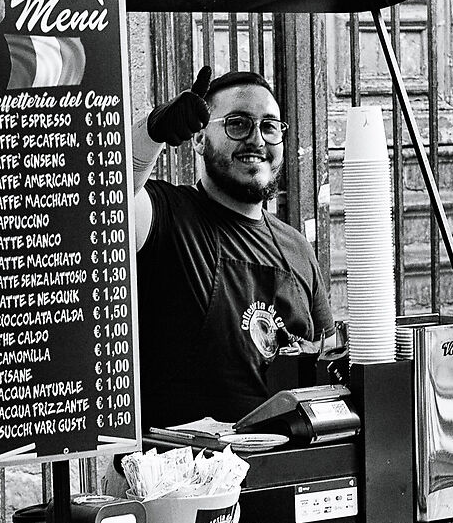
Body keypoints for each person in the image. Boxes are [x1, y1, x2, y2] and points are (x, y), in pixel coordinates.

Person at [128, 67, 333, 428]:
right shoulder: (165, 216)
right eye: (238, 123)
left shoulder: (297, 248)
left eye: (269, 126)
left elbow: (328, 364)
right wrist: (152, 130)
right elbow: (102, 194)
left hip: (288, 469)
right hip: (190, 477)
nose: (256, 140)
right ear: (198, 139)